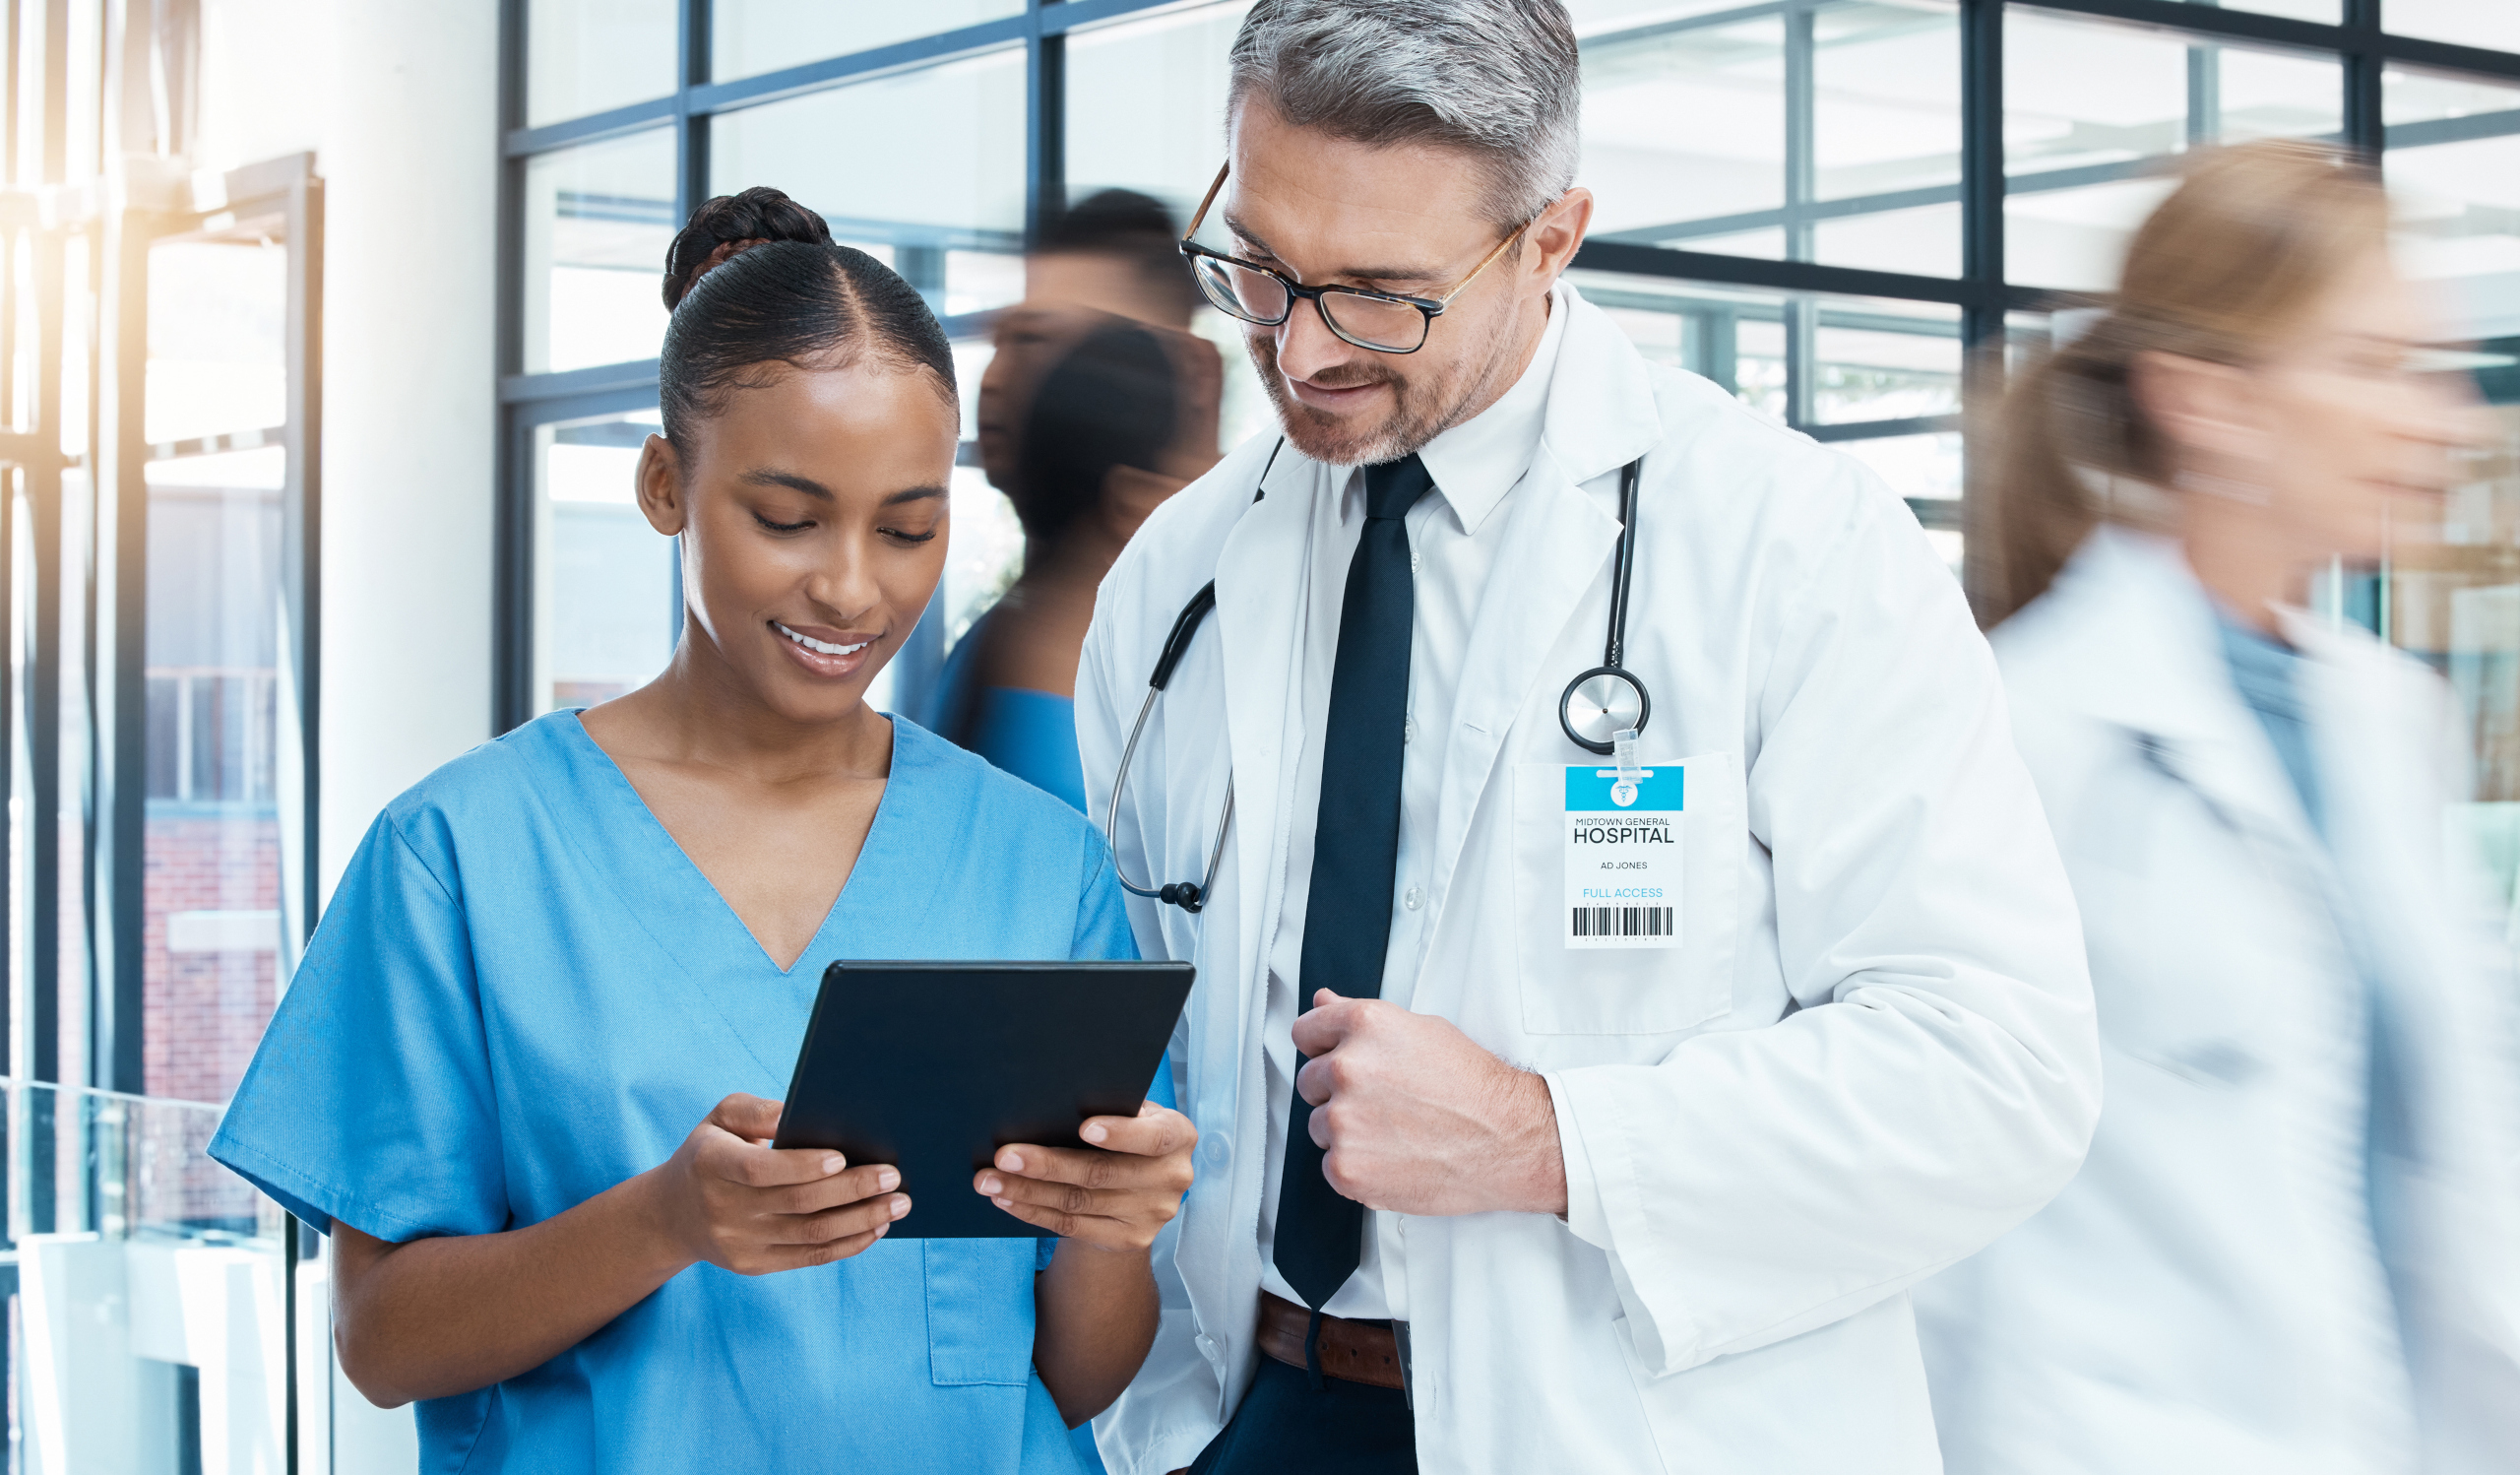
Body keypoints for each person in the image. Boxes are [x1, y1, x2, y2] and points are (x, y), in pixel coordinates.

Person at [1075, 3, 2101, 1471]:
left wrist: (1544, 1135)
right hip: (1255, 1410)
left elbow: (2000, 1070)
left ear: (1552, 238)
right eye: (1258, 262)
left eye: (1379, 295)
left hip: (1635, 1424)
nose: (1298, 351)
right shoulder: (1175, 582)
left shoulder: (1791, 550)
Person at [206, 187, 1196, 1474]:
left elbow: (1070, 1372)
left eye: (910, 527)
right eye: (787, 517)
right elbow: (381, 1340)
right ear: (666, 484)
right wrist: (664, 1220)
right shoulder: (458, 855)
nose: (852, 584)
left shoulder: (1036, 863)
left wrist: (1114, 1227)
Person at [1913, 141, 2520, 1473]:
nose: (2449, 418)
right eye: (2374, 367)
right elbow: (1940, 1212)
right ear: (2207, 401)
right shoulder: (2029, 731)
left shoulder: (2385, 717)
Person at [934, 193, 1223, 806]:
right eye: (1005, 338)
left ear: (1191, 377)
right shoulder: (996, 644)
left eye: (1045, 342)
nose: (999, 378)